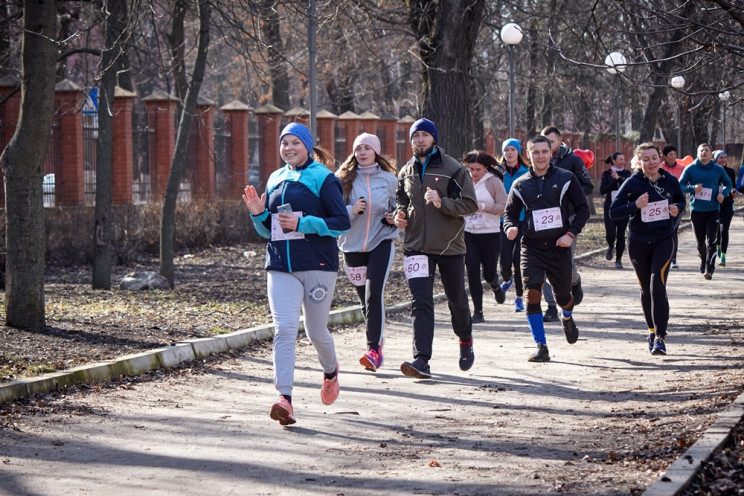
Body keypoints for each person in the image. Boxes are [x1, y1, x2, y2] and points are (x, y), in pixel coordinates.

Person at [242, 122, 350, 425]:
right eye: (284, 143)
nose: (288, 148)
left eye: (295, 143)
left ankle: (331, 372)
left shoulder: (324, 178)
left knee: (316, 332)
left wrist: (303, 224)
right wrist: (258, 214)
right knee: (285, 329)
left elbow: (341, 223)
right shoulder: (275, 178)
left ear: (308, 146)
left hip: (317, 266)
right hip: (279, 265)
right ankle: (285, 399)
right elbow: (269, 230)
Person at [394, 118, 478, 378]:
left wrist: (442, 203)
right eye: (415, 135)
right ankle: (422, 359)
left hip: (449, 246)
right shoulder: (406, 171)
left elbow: (470, 204)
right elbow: (402, 198)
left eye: (425, 135)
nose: (420, 140)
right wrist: (399, 214)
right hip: (416, 246)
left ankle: (465, 339)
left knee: (456, 299)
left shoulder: (453, 169)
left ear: (434, 138)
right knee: (420, 301)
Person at [503, 135, 590, 362]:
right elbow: (509, 215)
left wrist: (571, 233)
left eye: (544, 151)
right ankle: (541, 346)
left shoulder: (565, 178)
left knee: (563, 297)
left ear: (551, 153)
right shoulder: (520, 184)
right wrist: (510, 228)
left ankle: (567, 317)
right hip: (531, 247)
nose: (540, 156)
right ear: (529, 155)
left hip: (558, 246)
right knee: (532, 294)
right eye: (535, 152)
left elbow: (582, 209)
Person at [609, 143, 686, 355]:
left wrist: (676, 209)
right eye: (646, 159)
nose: (651, 162)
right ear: (639, 162)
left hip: (664, 238)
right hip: (638, 242)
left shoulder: (670, 180)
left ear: (660, 159)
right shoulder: (632, 183)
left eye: (654, 158)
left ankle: (661, 337)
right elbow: (613, 212)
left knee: (657, 286)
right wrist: (635, 205)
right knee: (645, 288)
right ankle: (651, 331)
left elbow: (681, 201)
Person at [336, 133, 398, 372]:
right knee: (365, 301)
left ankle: (373, 350)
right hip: (351, 246)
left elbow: (401, 208)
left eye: (367, 148)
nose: (362, 153)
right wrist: (352, 210)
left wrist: (395, 217)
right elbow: (334, 212)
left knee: (374, 296)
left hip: (381, 241)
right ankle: (377, 337)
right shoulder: (341, 179)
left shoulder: (390, 179)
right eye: (358, 148)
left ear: (376, 152)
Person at [539, 126, 594, 322]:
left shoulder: (572, 160)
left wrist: (567, 197)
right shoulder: (538, 159)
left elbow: (588, 186)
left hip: (568, 218)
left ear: (560, 140)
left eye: (551, 142)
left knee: (564, 262)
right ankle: (551, 306)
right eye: (543, 142)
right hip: (544, 218)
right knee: (544, 262)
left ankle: (575, 280)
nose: (546, 147)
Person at [462, 150, 507, 323]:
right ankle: (478, 312)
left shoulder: (494, 182)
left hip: (490, 234)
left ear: (486, 168)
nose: (473, 173)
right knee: (472, 271)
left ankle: (495, 286)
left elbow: (503, 207)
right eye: (471, 169)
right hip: (469, 233)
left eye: (478, 170)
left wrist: (482, 206)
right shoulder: (464, 180)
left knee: (488, 273)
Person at [678, 143, 732, 279]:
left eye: (706, 150)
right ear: (697, 153)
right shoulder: (690, 168)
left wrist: (723, 194)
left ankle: (710, 268)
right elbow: (680, 185)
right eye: (701, 150)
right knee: (700, 243)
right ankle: (703, 259)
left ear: (710, 154)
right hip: (696, 210)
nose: (704, 152)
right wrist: (693, 188)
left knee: (712, 240)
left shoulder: (718, 169)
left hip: (713, 210)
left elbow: (728, 184)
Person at [498, 138, 530, 313]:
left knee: (519, 261)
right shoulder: (497, 172)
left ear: (518, 152)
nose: (509, 153)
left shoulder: (526, 172)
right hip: (503, 221)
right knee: (504, 262)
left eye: (512, 149)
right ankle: (507, 279)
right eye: (506, 150)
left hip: (522, 221)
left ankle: (519, 298)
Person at [599, 152, 631, 269]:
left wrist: (620, 179)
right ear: (613, 161)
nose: (623, 161)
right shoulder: (607, 174)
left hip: (623, 207)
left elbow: (630, 187)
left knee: (621, 234)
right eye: (621, 159)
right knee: (610, 233)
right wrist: (613, 181)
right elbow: (602, 190)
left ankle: (618, 260)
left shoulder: (627, 173)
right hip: (610, 207)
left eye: (624, 159)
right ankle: (610, 245)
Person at [661, 144, 687, 268]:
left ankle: (673, 259)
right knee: (663, 230)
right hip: (662, 203)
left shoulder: (682, 168)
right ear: (664, 156)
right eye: (670, 154)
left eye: (674, 154)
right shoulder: (659, 168)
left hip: (677, 203)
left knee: (673, 230)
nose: (673, 157)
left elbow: (688, 183)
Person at [713, 150, 736, 267]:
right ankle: (717, 245)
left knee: (724, 228)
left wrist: (734, 192)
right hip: (715, 204)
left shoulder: (730, 172)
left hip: (727, 204)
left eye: (725, 158)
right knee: (717, 228)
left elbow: (734, 187)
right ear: (716, 159)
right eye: (720, 158)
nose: (723, 160)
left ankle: (723, 256)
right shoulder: (712, 171)